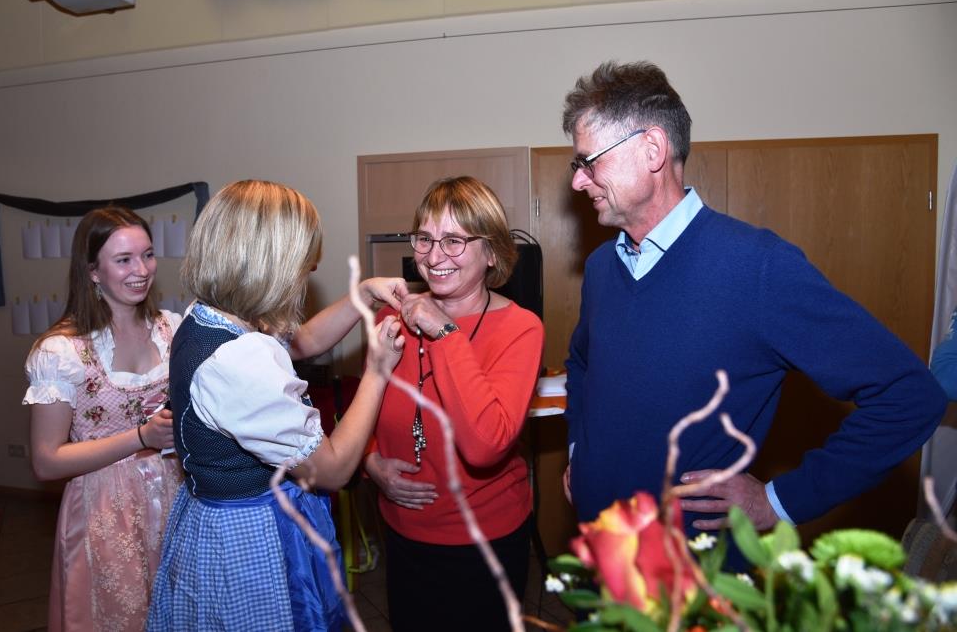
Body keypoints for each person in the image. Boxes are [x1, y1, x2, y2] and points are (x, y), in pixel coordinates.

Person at [561, 60, 947, 539]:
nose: (578, 181)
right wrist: (579, 450)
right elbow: (581, 364)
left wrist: (780, 501)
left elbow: (909, 396)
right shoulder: (602, 267)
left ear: (652, 149)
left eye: (589, 161)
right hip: (599, 549)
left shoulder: (758, 267)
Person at [146, 180, 406, 631]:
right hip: (249, 537)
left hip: (211, 517)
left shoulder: (208, 318)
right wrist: (378, 370)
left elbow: (301, 342)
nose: (308, 274)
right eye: (303, 265)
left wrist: (363, 294)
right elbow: (332, 469)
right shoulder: (238, 361)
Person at [363, 176, 545, 631]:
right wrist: (370, 462)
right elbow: (365, 410)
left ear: (492, 252)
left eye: (454, 241)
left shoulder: (521, 329)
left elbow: (485, 445)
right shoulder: (390, 318)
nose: (434, 255)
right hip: (402, 532)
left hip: (484, 541)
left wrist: (444, 333)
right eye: (425, 238)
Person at [24, 206, 183, 631]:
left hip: (174, 493)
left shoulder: (171, 329)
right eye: (124, 259)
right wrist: (140, 437)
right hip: (104, 509)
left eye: (147, 255)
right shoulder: (61, 352)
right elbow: (46, 461)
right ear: (93, 271)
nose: (141, 270)